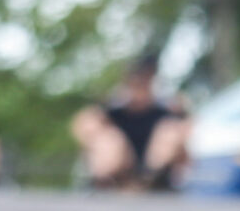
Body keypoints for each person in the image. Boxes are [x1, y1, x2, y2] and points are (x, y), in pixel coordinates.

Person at [72, 55, 190, 190]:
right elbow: (84, 123)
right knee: (105, 139)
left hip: (153, 171)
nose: (139, 85)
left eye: (144, 80)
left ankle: (153, 180)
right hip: (120, 169)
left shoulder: (168, 107)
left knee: (170, 132)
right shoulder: (113, 106)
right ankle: (104, 182)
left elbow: (187, 135)